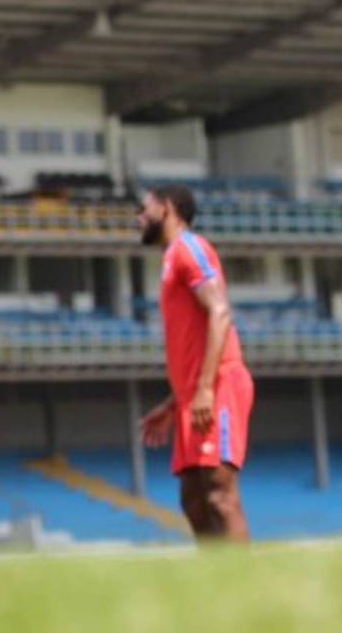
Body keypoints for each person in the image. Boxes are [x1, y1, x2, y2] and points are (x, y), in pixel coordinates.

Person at [136, 184, 254, 542]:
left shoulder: (191, 248)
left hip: (217, 386)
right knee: (193, 498)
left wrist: (203, 389)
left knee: (219, 492)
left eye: (145, 209)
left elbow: (219, 312)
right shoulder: (172, 259)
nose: (138, 218)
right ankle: (217, 584)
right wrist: (175, 403)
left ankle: (249, 587)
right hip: (192, 394)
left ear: (167, 208)